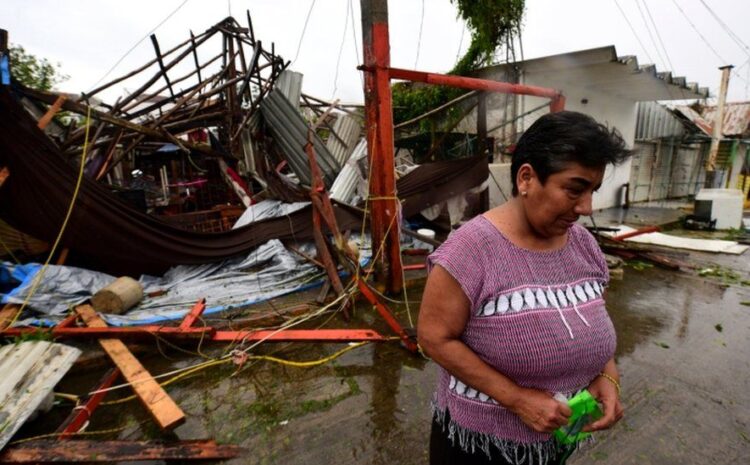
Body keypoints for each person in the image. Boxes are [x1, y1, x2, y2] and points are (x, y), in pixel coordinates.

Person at [417, 111, 632, 465]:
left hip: (556, 440)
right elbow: (433, 337)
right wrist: (517, 400)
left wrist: (607, 375)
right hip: (479, 448)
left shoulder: (583, 245)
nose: (586, 207)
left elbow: (589, 321)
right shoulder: (470, 250)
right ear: (527, 178)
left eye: (593, 190)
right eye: (574, 190)